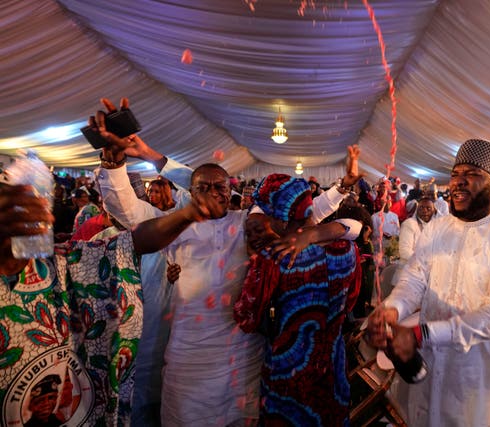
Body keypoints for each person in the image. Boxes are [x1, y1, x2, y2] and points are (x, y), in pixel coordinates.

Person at [92, 96, 363, 426]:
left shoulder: (245, 224)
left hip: (243, 362)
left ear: (230, 190)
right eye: (202, 188)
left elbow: (309, 212)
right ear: (190, 193)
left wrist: (337, 195)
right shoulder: (175, 225)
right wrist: (114, 167)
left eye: (219, 187)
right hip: (189, 363)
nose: (212, 193)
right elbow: (127, 211)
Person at [0, 180, 218, 427]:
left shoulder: (57, 264)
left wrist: (188, 214)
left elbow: (132, 243)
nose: (32, 226)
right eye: (12, 220)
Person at [366, 138, 490, 426]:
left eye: (472, 175)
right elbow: (414, 278)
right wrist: (392, 309)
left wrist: (422, 335)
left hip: (481, 376)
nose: (459, 182)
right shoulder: (436, 228)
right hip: (432, 367)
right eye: (455, 175)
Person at [234, 174, 360, 426]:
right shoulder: (348, 250)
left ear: (277, 219)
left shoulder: (272, 259)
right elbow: (351, 302)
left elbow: (246, 318)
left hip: (287, 377)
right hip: (332, 372)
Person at [398, 196, 436, 263]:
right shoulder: (409, 224)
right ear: (417, 209)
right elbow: (404, 251)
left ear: (434, 211)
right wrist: (424, 262)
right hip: (411, 268)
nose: (425, 211)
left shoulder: (436, 226)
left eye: (428, 208)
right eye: (421, 208)